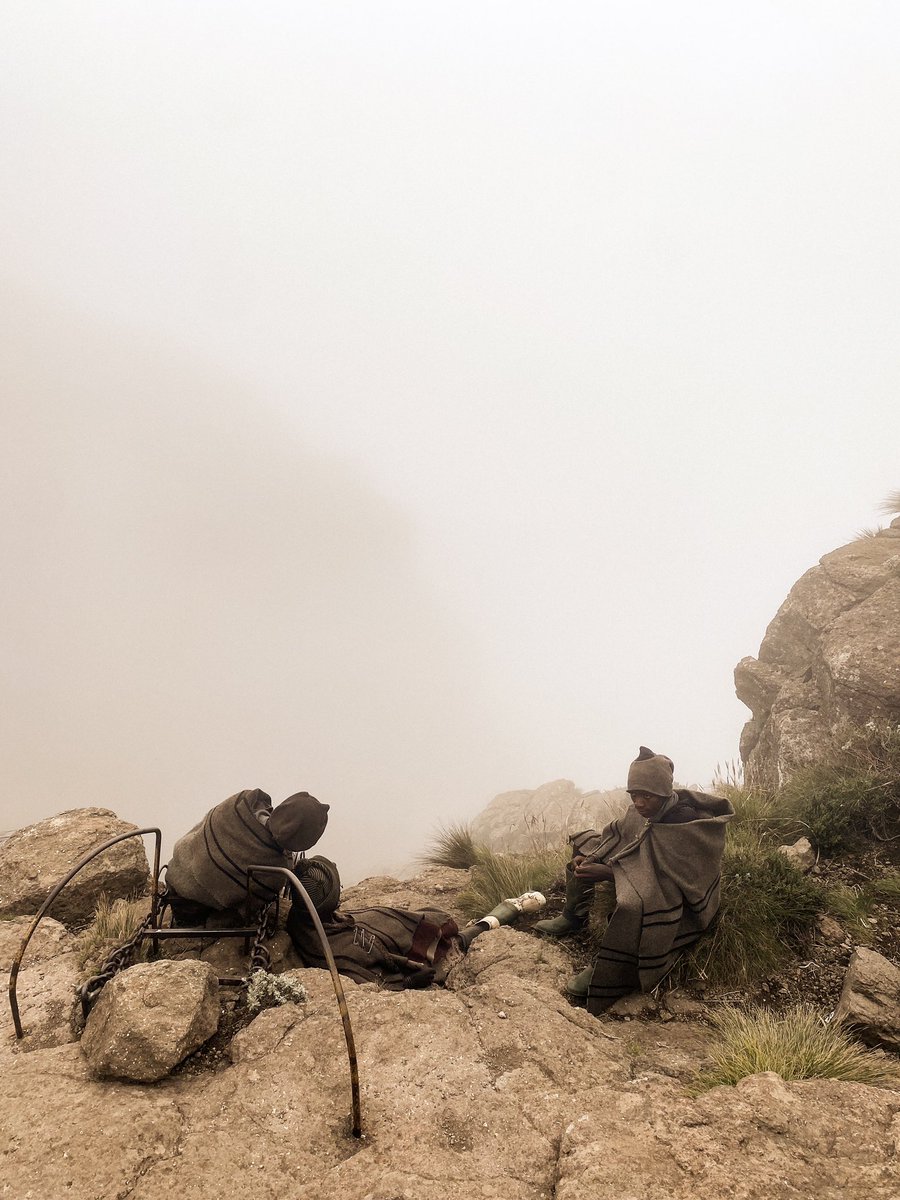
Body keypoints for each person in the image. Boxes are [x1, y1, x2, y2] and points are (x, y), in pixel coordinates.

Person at [533, 747, 733, 1014]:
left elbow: (665, 879)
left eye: (645, 796)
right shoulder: (643, 810)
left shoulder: (684, 823)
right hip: (639, 868)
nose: (638, 803)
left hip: (677, 894)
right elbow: (621, 837)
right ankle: (573, 916)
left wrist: (609, 873)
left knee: (631, 904)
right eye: (634, 795)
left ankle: (612, 970)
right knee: (585, 844)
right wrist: (592, 858)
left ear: (663, 793)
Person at [286, 855, 546, 989]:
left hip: (361, 929)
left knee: (420, 917)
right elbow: (367, 981)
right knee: (453, 942)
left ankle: (490, 918)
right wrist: (409, 982)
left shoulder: (305, 918)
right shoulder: (336, 950)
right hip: (404, 953)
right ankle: (504, 913)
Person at [164, 788, 330, 924]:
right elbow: (248, 908)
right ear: (303, 842)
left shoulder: (241, 802)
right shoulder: (274, 873)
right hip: (193, 911)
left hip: (174, 877)